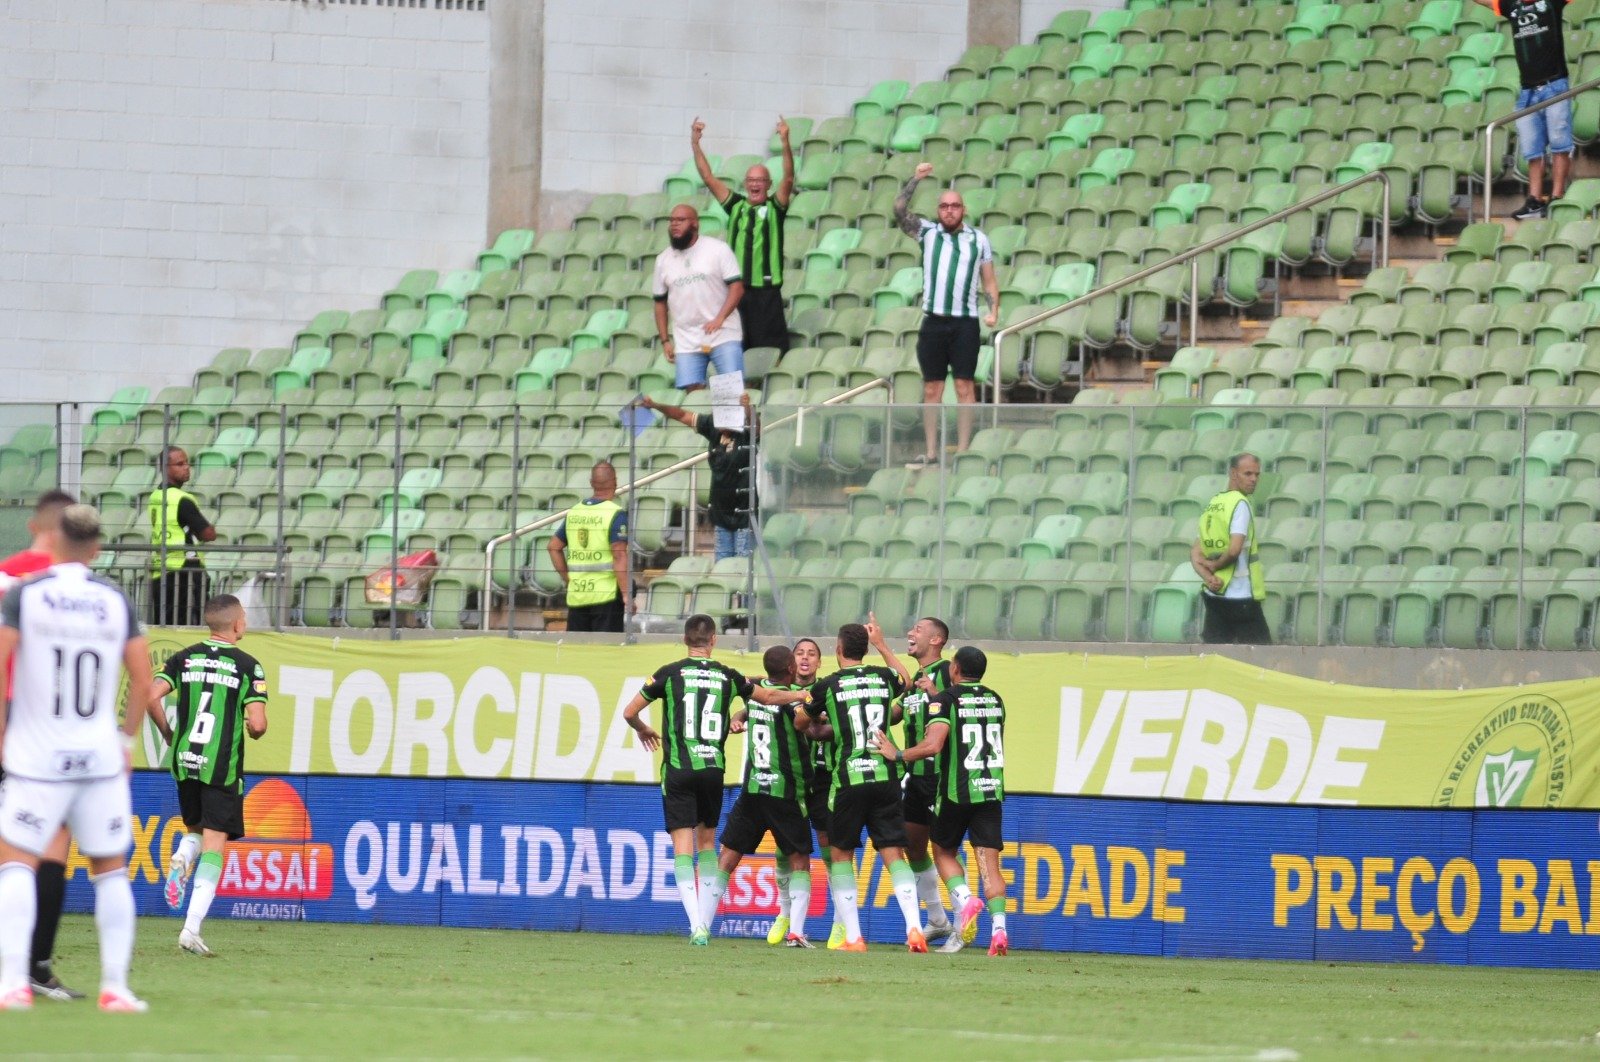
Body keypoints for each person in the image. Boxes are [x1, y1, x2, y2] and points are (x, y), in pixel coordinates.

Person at [0, 504, 155, 1011]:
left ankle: (12, 984)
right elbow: (143, 680)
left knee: (15, 864)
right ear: (96, 548)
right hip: (98, 755)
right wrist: (126, 742)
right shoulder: (114, 600)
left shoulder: (28, 595)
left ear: (53, 541)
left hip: (36, 755)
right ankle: (116, 987)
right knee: (110, 870)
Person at [620, 614, 807, 945]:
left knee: (683, 848)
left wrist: (643, 729)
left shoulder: (669, 673)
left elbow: (629, 712)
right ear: (714, 640)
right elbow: (767, 697)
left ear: (685, 640)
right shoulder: (727, 675)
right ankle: (704, 923)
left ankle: (698, 926)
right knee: (707, 843)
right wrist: (801, 695)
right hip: (712, 770)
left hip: (678, 769)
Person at [794, 616, 928, 953]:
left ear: (838, 649)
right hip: (885, 776)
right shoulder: (883, 677)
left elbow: (800, 722)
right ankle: (914, 928)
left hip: (848, 779)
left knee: (840, 855)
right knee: (894, 853)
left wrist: (818, 717)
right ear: (865, 649)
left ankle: (854, 937)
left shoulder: (828, 686)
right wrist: (883, 645)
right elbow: (906, 679)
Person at [870, 645, 1010, 956]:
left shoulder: (946, 700)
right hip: (990, 790)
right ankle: (999, 930)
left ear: (954, 669)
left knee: (943, 851)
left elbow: (933, 745)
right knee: (989, 865)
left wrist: (898, 754)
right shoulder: (995, 699)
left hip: (955, 791)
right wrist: (936, 696)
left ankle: (965, 900)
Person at [150, 594, 269, 958]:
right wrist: (253, 728)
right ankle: (191, 928)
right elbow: (258, 725)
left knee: (197, 832)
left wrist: (169, 735)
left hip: (185, 759)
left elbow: (150, 696)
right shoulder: (248, 666)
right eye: (244, 617)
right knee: (215, 846)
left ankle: (182, 857)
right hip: (220, 767)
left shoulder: (183, 658)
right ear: (236, 623)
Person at [0, 491, 82, 1000]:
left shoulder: (4, 575)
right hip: (41, 723)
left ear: (34, 524)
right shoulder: (75, 589)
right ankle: (33, 966)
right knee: (50, 843)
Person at [704, 645, 815, 947]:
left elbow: (755, 696)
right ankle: (796, 932)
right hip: (786, 791)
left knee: (727, 856)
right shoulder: (794, 700)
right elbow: (804, 723)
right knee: (800, 860)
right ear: (791, 668)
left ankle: (702, 925)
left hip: (753, 788)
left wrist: (740, 714)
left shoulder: (752, 689)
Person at [893, 163, 1001, 467]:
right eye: (944, 206)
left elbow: (989, 281)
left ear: (963, 210)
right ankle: (931, 452)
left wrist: (994, 311)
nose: (949, 211)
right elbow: (899, 209)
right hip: (934, 321)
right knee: (932, 388)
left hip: (965, 322)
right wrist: (915, 179)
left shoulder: (978, 239)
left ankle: (963, 451)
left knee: (965, 386)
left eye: (955, 206)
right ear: (938, 210)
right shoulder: (927, 232)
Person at [690, 116, 795, 353]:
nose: (755, 184)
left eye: (760, 180)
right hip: (736, 292)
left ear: (768, 184)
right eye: (751, 180)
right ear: (745, 184)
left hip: (766, 292)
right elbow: (708, 178)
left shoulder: (775, 208)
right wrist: (695, 144)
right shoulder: (736, 206)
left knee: (769, 352)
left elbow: (789, 178)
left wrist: (785, 141)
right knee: (736, 349)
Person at [1475, 0, 1572, 219]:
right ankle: (1534, 199)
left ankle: (1557, 197)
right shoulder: (1511, 5)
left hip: (1555, 84)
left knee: (1560, 144)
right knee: (1532, 149)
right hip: (1527, 90)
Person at [639, 392, 757, 560]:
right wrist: (656, 405)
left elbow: (756, 429)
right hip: (721, 514)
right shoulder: (713, 428)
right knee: (722, 564)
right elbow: (682, 415)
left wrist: (747, 408)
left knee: (742, 565)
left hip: (744, 514)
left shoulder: (746, 434)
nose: (717, 420)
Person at [898, 616, 954, 942]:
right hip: (915, 776)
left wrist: (935, 693)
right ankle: (937, 919)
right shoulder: (915, 679)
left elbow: (958, 707)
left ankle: (964, 919)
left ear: (936, 640)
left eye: (918, 629)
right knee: (913, 845)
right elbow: (896, 713)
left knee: (944, 849)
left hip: (939, 775)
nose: (910, 633)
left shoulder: (946, 671)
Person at [653, 205, 745, 393]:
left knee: (730, 393)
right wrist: (665, 340)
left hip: (723, 334)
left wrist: (720, 318)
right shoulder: (663, 260)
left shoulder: (717, 249)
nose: (674, 224)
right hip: (686, 339)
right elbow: (659, 302)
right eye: (672, 221)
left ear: (695, 224)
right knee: (692, 396)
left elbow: (737, 288)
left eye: (681, 220)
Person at [1191, 453, 1272, 645]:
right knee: (1262, 655)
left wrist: (1208, 577)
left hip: (1215, 595)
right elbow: (1235, 550)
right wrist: (1216, 565)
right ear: (1233, 473)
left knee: (1214, 655)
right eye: (1248, 473)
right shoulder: (1240, 503)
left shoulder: (1214, 503)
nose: (1254, 479)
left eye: (1257, 474)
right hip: (1241, 596)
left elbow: (1195, 553)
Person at [547, 460, 631, 633]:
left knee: (577, 647)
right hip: (606, 596)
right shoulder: (615, 514)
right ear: (615, 482)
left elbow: (553, 547)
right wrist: (626, 593)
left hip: (578, 594)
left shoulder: (575, 512)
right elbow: (619, 555)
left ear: (591, 483)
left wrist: (568, 579)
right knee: (606, 647)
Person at [149, 445, 216, 626]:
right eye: (180, 464)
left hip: (161, 567)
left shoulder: (155, 496)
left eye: (187, 463)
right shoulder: (181, 499)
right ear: (165, 468)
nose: (187, 467)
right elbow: (207, 534)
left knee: (164, 623)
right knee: (191, 623)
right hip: (185, 569)